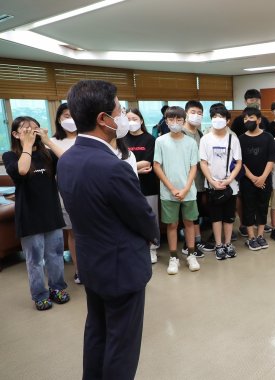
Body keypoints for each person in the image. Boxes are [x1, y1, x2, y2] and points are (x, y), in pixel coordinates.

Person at [57, 80, 159, 379]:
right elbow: (142, 215)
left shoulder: (69, 158)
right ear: (104, 119)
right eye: (120, 109)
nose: (124, 115)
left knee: (97, 332)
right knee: (122, 344)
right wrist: (152, 235)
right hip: (121, 267)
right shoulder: (111, 165)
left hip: (92, 262)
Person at [3, 116, 68, 311]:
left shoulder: (47, 154)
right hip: (29, 216)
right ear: (15, 134)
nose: (31, 132)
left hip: (51, 213)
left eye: (35, 128)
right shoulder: (10, 156)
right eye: (25, 129)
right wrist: (27, 146)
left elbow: (69, 161)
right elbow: (22, 170)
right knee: (35, 259)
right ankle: (40, 294)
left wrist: (48, 141)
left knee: (55, 255)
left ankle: (57, 288)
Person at [153, 106, 201, 274]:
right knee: (172, 225)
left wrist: (186, 188)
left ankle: (191, 254)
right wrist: (172, 188)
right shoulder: (160, 141)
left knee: (189, 223)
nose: (175, 123)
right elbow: (157, 166)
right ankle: (173, 257)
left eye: (179, 120)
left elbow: (194, 167)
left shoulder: (191, 142)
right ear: (166, 121)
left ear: (184, 120)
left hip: (189, 192)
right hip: (168, 192)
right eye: (171, 120)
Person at [199, 105, 242, 260]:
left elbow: (238, 162)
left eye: (221, 117)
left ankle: (228, 243)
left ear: (228, 120)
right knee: (216, 217)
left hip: (230, 185)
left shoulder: (233, 139)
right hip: (212, 185)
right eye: (215, 117)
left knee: (229, 217)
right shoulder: (205, 139)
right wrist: (211, 181)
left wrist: (230, 179)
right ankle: (218, 245)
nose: (218, 120)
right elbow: (203, 163)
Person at [238, 107, 275, 251]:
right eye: (245, 118)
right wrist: (254, 178)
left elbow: (271, 159)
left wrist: (262, 177)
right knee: (248, 208)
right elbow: (239, 162)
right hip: (247, 180)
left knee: (262, 207)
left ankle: (260, 235)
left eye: (251, 118)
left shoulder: (268, 137)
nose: (248, 121)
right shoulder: (240, 139)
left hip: (265, 179)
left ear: (259, 120)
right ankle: (251, 237)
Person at [125, 108, 161, 264]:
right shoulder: (121, 140)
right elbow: (117, 162)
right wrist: (136, 169)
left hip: (148, 186)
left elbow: (148, 163)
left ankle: (153, 248)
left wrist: (126, 166)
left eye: (134, 118)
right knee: (131, 219)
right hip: (127, 186)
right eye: (128, 119)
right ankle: (136, 248)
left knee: (151, 217)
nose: (131, 122)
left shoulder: (149, 139)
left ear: (141, 120)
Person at [50, 103, 81, 284]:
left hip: (88, 191)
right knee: (73, 233)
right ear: (59, 119)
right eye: (65, 116)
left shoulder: (86, 138)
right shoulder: (53, 142)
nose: (70, 119)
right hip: (65, 193)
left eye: (73, 115)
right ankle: (79, 269)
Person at [181, 100, 214, 254]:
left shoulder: (200, 134)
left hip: (200, 182)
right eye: (193, 112)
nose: (196, 116)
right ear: (186, 113)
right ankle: (188, 245)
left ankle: (198, 240)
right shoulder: (180, 133)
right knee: (189, 214)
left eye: (199, 113)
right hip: (186, 182)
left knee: (197, 212)